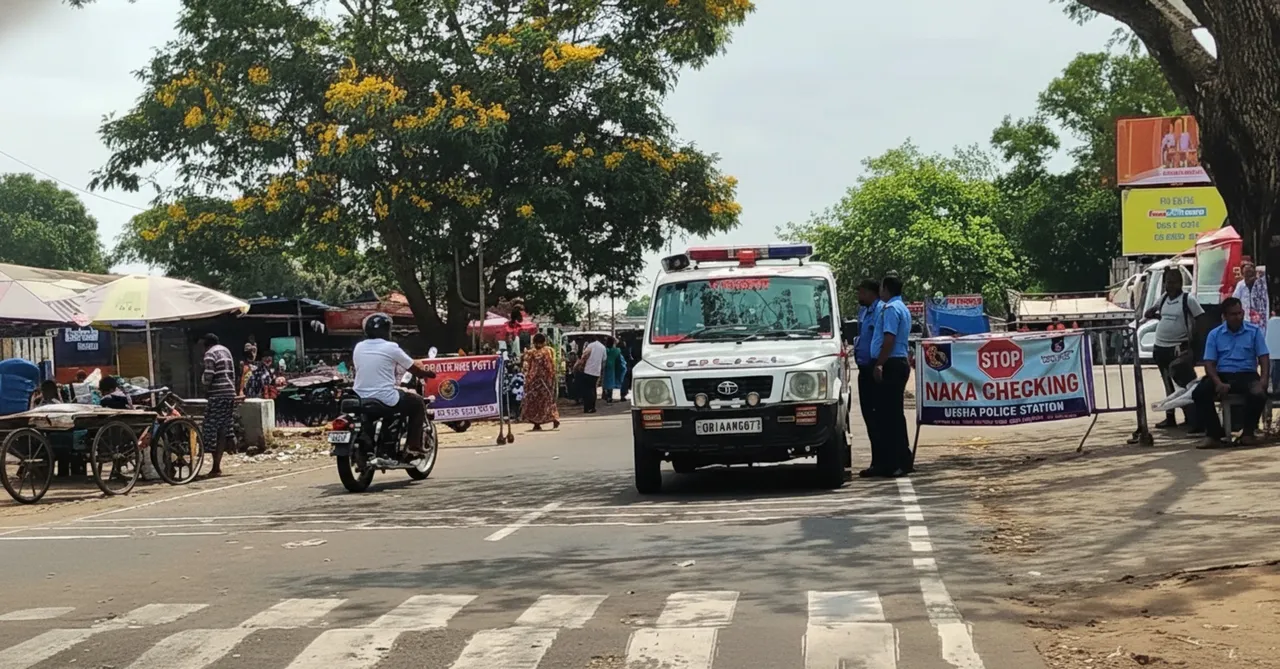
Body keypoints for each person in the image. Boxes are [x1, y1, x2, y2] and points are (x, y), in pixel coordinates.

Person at [351, 313, 435, 457]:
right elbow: (413, 368)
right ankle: (413, 445)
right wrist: (428, 373)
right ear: (386, 331)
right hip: (384, 397)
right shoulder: (391, 347)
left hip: (359, 395)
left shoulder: (359, 347)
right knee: (417, 402)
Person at [1193, 297, 1269, 448]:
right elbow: (1209, 363)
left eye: (1240, 313)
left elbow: (1264, 357)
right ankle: (1214, 434)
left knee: (1259, 393)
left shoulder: (1253, 332)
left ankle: (1248, 433)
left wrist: (1264, 379)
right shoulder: (1214, 334)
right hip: (1223, 374)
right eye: (1233, 314)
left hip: (1246, 374)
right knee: (1199, 392)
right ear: (1225, 316)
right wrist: (1218, 383)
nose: (1238, 317)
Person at [1145, 267, 1205, 433]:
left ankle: (1193, 419)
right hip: (1160, 348)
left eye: (1172, 282)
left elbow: (1200, 319)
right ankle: (1170, 416)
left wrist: (1194, 342)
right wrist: (1157, 315)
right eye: (1166, 282)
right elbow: (1150, 312)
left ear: (1180, 283)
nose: (1168, 286)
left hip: (1179, 348)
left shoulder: (1188, 300)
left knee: (1185, 384)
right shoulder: (1163, 298)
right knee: (1168, 384)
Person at [869, 275, 913, 477]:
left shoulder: (891, 309)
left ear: (886, 289)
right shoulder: (901, 307)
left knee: (891, 416)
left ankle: (900, 462)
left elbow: (889, 338)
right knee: (892, 414)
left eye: (881, 288)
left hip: (892, 363)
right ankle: (897, 460)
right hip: (897, 362)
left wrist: (879, 363)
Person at [852, 279, 883, 477]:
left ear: (872, 293)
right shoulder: (864, 311)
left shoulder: (881, 310)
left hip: (874, 368)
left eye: (861, 292)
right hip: (863, 369)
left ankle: (881, 461)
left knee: (878, 417)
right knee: (869, 417)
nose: (859, 296)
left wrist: (878, 364)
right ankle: (876, 460)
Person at [200, 333, 238, 478]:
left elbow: (209, 375)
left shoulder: (210, 354)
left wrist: (203, 384)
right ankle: (217, 466)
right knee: (223, 428)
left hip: (217, 395)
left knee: (211, 428)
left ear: (206, 344)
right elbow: (232, 374)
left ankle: (215, 466)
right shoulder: (225, 350)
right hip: (229, 393)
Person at [521, 333, 560, 430]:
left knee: (534, 403)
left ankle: (536, 424)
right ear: (544, 342)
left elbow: (526, 368)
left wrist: (527, 380)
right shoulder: (548, 351)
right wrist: (552, 379)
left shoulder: (530, 353)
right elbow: (551, 367)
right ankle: (554, 418)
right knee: (548, 401)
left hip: (533, 382)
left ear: (534, 342)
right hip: (546, 382)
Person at [1233, 261, 1268, 331]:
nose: (1249, 275)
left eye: (1250, 272)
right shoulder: (1240, 285)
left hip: (1259, 318)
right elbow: (1235, 300)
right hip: (1245, 317)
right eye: (1246, 272)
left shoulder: (1260, 284)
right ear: (1243, 274)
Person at [577, 335, 606, 414]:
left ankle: (586, 408)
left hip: (588, 370)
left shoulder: (590, 346)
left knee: (587, 390)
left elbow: (584, 357)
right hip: (596, 371)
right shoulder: (603, 347)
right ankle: (592, 407)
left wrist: (580, 366)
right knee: (593, 389)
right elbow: (604, 360)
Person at [602, 337, 626, 404]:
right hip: (612, 366)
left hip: (604, 366)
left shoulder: (605, 350)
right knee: (610, 381)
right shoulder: (616, 350)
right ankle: (609, 397)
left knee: (604, 381)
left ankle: (605, 394)